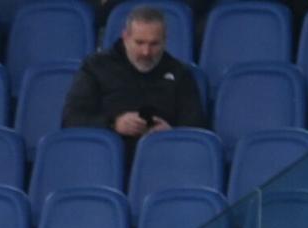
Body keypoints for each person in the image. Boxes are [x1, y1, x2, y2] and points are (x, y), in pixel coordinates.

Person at [61, 6, 206, 149]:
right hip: (103, 160)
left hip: (163, 157)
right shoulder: (96, 66)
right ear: (125, 37)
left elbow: (197, 128)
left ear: (165, 41)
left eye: (154, 44)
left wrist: (170, 133)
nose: (146, 52)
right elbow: (71, 119)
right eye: (139, 42)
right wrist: (114, 124)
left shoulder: (180, 73)